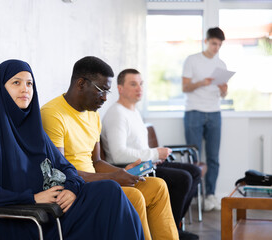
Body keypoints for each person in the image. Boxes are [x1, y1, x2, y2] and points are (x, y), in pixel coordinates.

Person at [0, 59, 145, 240]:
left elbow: (66, 167)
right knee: (110, 202)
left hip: (53, 211)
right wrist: (32, 198)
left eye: (29, 83)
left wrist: (72, 188)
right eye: (16, 83)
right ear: (0, 89)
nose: (25, 89)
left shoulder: (35, 132)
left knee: (110, 191)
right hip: (24, 220)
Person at [41, 56, 179, 240]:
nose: (105, 98)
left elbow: (96, 161)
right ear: (81, 84)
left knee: (158, 186)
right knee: (134, 196)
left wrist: (123, 173)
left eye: (108, 91)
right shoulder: (53, 114)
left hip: (99, 180)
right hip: (77, 188)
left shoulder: (93, 114)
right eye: (101, 90)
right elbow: (60, 173)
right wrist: (113, 177)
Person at [101, 68, 201, 240]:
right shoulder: (117, 114)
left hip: (147, 163)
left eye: (141, 84)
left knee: (194, 171)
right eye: (133, 84)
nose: (139, 88)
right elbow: (118, 154)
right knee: (183, 178)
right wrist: (155, 154)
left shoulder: (133, 111)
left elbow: (139, 146)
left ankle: (173, 225)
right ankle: (168, 229)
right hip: (127, 168)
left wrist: (155, 156)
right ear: (120, 88)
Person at [182, 27, 228, 211]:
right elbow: (184, 87)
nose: (216, 47)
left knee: (213, 158)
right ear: (206, 41)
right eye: (214, 43)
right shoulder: (192, 60)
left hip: (215, 112)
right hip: (194, 111)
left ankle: (210, 195)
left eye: (219, 45)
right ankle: (194, 196)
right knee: (195, 157)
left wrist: (224, 89)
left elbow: (224, 94)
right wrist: (203, 82)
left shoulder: (221, 64)